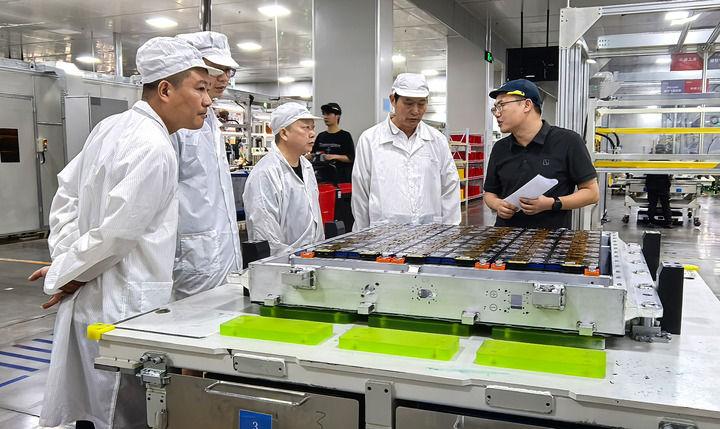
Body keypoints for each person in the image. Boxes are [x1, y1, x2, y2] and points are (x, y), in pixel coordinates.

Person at [27, 37, 220, 429]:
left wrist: (66, 260)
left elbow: (66, 194)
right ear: (165, 90)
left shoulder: (110, 127)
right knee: (121, 412)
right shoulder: (155, 147)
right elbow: (117, 235)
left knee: (92, 411)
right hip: (124, 309)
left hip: (92, 302)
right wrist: (67, 273)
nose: (208, 101)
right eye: (200, 88)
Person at [171, 31, 243, 300]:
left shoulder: (210, 119)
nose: (224, 77)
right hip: (190, 257)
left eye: (228, 70)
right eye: (216, 69)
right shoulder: (175, 125)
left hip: (219, 252)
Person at [483, 79, 599, 229]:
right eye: (495, 108)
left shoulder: (568, 141)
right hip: (506, 235)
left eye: (502, 105)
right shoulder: (500, 148)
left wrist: (552, 203)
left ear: (527, 105)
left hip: (551, 237)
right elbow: (489, 193)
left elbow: (592, 193)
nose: (497, 114)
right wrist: (497, 204)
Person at [352, 73, 460, 230]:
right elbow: (360, 194)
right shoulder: (370, 139)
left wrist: (450, 233)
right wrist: (362, 236)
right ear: (393, 100)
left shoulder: (437, 140)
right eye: (408, 103)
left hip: (429, 233)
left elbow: (450, 188)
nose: (415, 111)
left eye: (421, 104)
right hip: (383, 235)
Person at [243, 102, 324, 255]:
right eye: (305, 128)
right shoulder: (265, 173)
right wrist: (293, 259)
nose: (312, 133)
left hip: (311, 258)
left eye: (313, 127)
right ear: (284, 133)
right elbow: (266, 236)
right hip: (284, 263)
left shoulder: (306, 166)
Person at [312, 102, 355, 183]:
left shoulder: (345, 136)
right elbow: (313, 154)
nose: (325, 117)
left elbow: (351, 158)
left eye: (328, 114)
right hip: (322, 179)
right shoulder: (321, 136)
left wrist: (334, 156)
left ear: (337, 116)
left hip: (341, 180)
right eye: (324, 114)